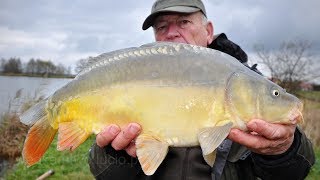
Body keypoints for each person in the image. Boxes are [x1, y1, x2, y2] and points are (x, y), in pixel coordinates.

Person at [88, 0, 315, 179]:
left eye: (184, 22)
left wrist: (284, 149)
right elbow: (105, 174)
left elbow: (295, 172)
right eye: (162, 26)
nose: (172, 33)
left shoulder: (246, 84)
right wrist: (115, 153)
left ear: (208, 31)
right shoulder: (130, 81)